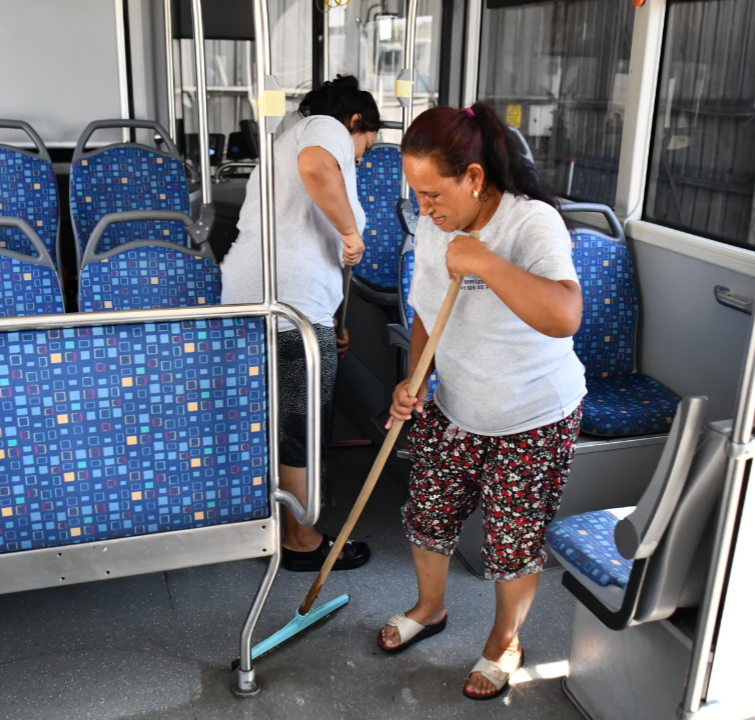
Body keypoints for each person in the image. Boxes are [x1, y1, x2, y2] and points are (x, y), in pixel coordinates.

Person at [375, 103, 586, 700]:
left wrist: (485, 262)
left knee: (512, 540)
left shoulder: (531, 223)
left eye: (432, 193)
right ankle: (430, 608)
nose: (424, 208)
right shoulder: (432, 223)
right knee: (428, 514)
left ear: (473, 176)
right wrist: (415, 379)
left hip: (533, 416)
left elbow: (565, 315)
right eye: (416, 194)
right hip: (457, 405)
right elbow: (425, 310)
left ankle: (504, 642)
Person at [221, 75, 379, 572]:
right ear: (356, 121)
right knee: (301, 425)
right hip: (290, 307)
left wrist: (327, 322)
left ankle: (273, 525)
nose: (358, 161)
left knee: (273, 419)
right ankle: (301, 541)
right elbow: (317, 167)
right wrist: (351, 233)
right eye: (365, 148)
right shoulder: (326, 128)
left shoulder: (285, 139)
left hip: (257, 301)